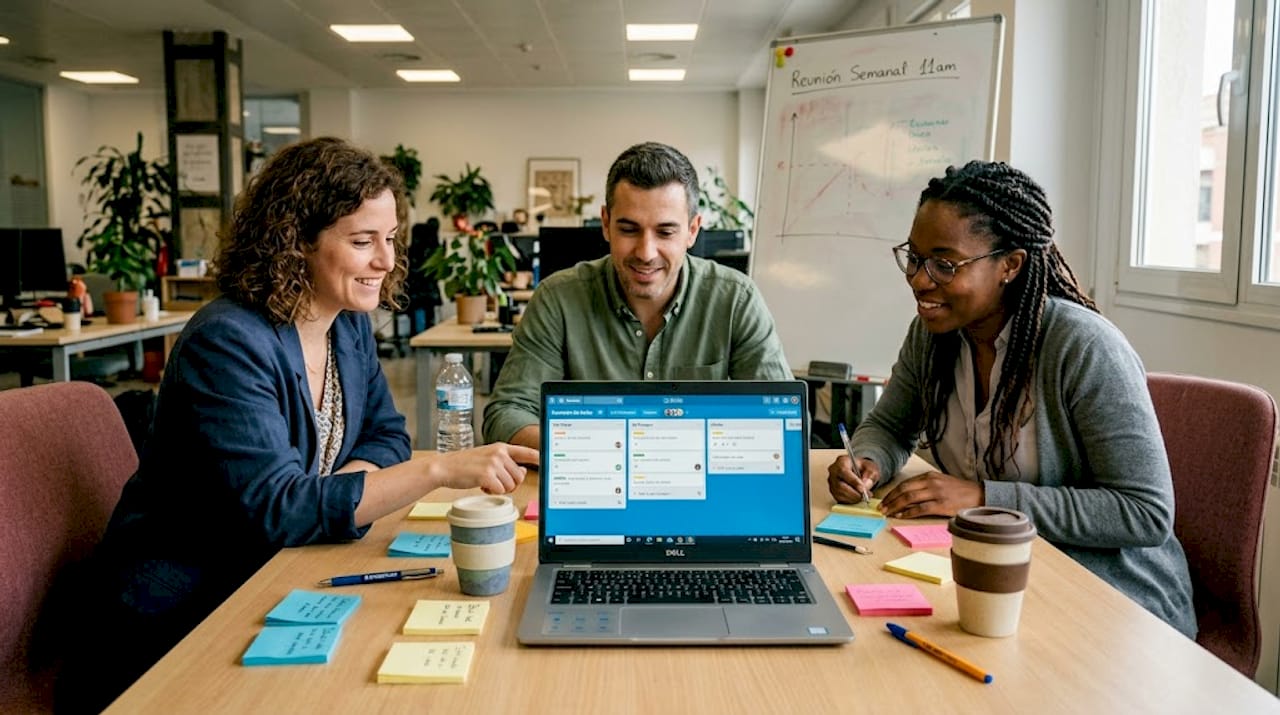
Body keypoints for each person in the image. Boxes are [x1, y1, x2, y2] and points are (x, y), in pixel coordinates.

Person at [59, 137, 537, 713]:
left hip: (277, 570)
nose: (386, 261)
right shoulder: (228, 341)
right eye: (362, 241)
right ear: (296, 241)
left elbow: (386, 435)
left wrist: (333, 496)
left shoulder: (345, 324)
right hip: (180, 614)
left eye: (389, 238)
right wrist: (434, 470)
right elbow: (280, 508)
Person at [826, 160, 1196, 638]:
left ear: (1010, 265)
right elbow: (891, 426)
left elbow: (1143, 512)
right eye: (914, 258)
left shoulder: (1083, 347)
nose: (919, 280)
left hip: (1109, 600)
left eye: (944, 264)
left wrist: (985, 499)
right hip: (989, 575)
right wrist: (869, 460)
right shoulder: (933, 335)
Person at [483, 142, 792, 449]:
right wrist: (600, 452)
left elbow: (783, 418)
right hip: (593, 475)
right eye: (629, 230)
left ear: (692, 230)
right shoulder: (558, 299)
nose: (646, 253)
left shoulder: (736, 299)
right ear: (606, 224)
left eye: (665, 232)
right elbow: (507, 413)